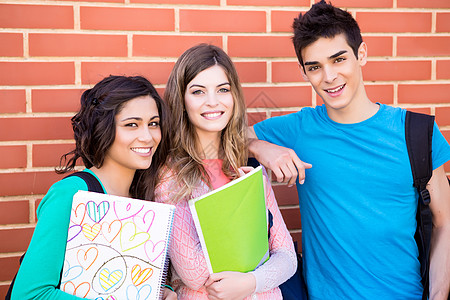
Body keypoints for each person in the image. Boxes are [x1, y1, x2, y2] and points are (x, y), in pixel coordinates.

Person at [247, 1, 450, 299]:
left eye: (338, 59)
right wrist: (259, 146)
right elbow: (221, 136)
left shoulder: (417, 133)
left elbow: (445, 222)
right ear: (304, 72)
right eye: (314, 67)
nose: (328, 76)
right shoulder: (299, 129)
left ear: (361, 54)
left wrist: (438, 295)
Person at [10, 75, 177, 299]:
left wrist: (162, 291)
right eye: (132, 125)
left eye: (153, 124)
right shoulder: (72, 194)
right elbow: (29, 294)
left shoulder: (143, 197)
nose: (147, 136)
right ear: (103, 129)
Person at [153, 43, 297, 299]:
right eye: (198, 91)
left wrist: (252, 282)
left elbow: (287, 257)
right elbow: (194, 273)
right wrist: (239, 206)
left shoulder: (249, 172)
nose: (213, 102)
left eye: (223, 90)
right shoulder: (171, 177)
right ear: (182, 100)